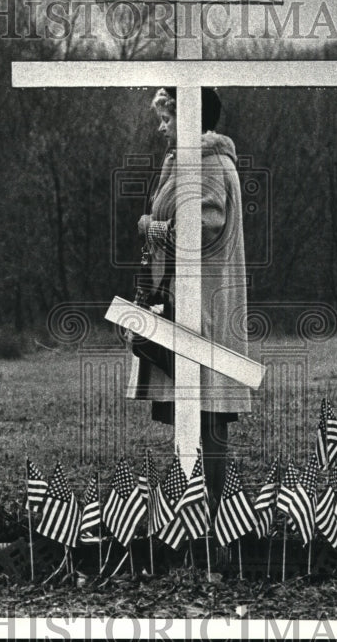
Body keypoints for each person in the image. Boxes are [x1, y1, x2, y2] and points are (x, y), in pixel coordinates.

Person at [126, 86, 251, 505]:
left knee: (207, 412)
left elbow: (197, 232)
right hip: (188, 303)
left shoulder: (208, 164)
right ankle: (194, 514)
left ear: (192, 118)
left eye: (168, 118)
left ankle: (209, 519)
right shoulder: (188, 163)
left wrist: (149, 227)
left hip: (206, 309)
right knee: (194, 413)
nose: (162, 128)